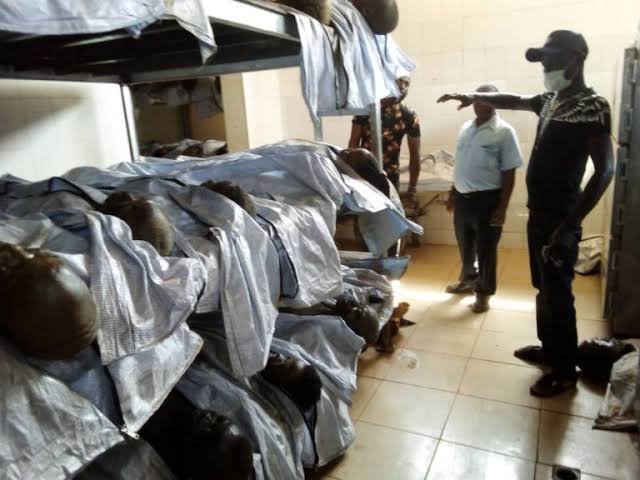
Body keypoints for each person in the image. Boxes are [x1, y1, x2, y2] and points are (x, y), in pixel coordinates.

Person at [438, 30, 614, 397]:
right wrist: (473, 96)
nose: (545, 67)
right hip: (539, 214)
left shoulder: (593, 106)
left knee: (558, 294)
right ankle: (550, 350)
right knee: (543, 288)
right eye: (543, 61)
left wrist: (570, 226)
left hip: (562, 217)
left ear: (576, 59)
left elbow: (604, 171)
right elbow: (513, 99)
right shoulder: (550, 100)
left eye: (552, 60)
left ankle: (564, 372)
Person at [445, 85, 524, 313]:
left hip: (487, 201)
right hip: (462, 199)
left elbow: (509, 172)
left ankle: (483, 294)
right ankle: (468, 281)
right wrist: (452, 193)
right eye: (477, 99)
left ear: (496, 102)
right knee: (466, 246)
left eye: (487, 99)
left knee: (486, 250)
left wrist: (502, 208)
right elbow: (461, 164)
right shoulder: (466, 128)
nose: (481, 103)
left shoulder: (504, 132)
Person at [348, 76, 421, 204]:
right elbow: (353, 145)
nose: (403, 87)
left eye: (407, 84)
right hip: (364, 176)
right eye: (400, 82)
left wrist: (412, 189)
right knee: (366, 214)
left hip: (391, 178)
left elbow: (415, 155)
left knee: (390, 214)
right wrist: (351, 179)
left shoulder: (408, 116)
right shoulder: (366, 110)